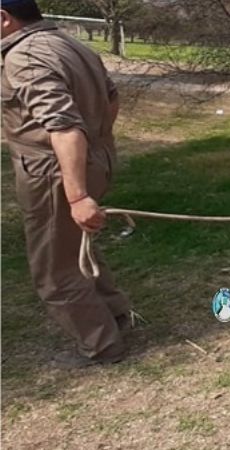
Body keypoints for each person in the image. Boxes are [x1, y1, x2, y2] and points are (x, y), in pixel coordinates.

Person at [1, 0, 130, 368]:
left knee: (54, 271)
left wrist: (76, 195)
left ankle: (102, 344)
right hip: (93, 162)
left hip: (53, 174)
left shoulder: (24, 56)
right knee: (75, 247)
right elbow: (111, 97)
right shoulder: (70, 43)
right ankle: (116, 316)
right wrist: (98, 144)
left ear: (4, 18)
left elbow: (64, 128)